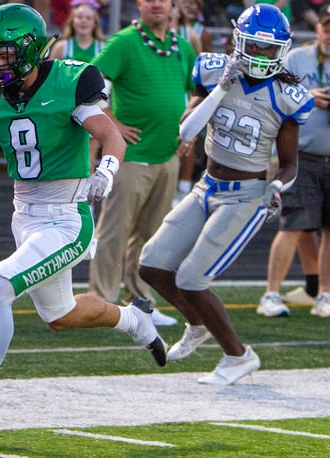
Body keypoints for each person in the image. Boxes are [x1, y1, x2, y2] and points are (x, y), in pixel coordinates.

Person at [0, 4, 166, 430]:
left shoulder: (69, 81)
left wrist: (106, 170)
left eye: (3, 53)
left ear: (28, 50)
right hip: (24, 215)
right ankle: (135, 320)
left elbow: (110, 135)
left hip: (67, 218)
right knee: (61, 317)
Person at [139, 4, 313, 384]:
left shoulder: (288, 96)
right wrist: (222, 87)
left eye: (267, 49)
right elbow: (187, 133)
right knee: (151, 264)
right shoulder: (213, 69)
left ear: (280, 50)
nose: (259, 55)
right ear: (238, 42)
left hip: (246, 195)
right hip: (207, 187)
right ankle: (197, 323)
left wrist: (277, 187)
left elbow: (288, 163)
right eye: (252, 46)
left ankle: (238, 356)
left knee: (191, 278)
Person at [87, 0, 197, 327]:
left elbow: (196, 92)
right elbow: (90, 79)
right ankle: (102, 301)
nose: (157, 4)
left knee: (152, 237)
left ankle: (141, 302)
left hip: (168, 155)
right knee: (114, 232)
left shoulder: (183, 47)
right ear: (140, 4)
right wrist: (111, 122)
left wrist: (190, 125)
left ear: (173, 5)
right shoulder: (124, 42)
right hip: (130, 156)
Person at [258, 6, 330, 318]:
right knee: (292, 226)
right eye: (327, 28)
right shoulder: (296, 59)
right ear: (317, 31)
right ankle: (271, 293)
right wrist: (307, 95)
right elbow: (272, 92)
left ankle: (325, 294)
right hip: (302, 157)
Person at [48, 0, 106, 173]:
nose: (83, 21)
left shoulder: (102, 48)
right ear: (72, 20)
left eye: (88, 17)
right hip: (65, 106)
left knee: (89, 157)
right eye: (79, 17)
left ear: (95, 22)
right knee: (65, 154)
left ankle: (87, 198)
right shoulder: (61, 47)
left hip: (92, 106)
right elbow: (49, 78)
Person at [171, 0, 211, 206]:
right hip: (162, 95)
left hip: (184, 95)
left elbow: (201, 69)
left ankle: (183, 189)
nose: (187, 6)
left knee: (185, 142)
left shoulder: (193, 34)